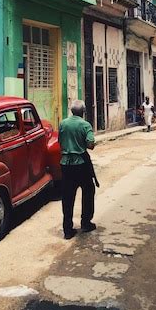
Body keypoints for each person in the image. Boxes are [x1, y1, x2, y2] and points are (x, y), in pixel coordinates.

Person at [58, 100, 96, 240]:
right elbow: (90, 144)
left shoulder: (63, 123)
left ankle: (67, 229)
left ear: (72, 111)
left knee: (67, 196)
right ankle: (85, 222)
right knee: (88, 191)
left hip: (65, 164)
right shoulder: (85, 125)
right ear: (83, 112)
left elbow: (60, 141)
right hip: (81, 164)